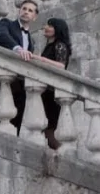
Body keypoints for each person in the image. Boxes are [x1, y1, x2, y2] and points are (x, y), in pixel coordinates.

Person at [0, 0, 39, 134]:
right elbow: (1, 36)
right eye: (24, 9)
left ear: (34, 17)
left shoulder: (31, 40)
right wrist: (18, 49)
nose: (26, 12)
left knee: (17, 114)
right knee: (8, 109)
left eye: (30, 10)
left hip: (19, 81)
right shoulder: (6, 24)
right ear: (19, 11)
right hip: (2, 76)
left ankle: (10, 139)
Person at [32, 17, 72, 150]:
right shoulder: (50, 45)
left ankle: (64, 157)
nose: (45, 27)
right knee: (47, 130)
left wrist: (40, 59)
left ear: (57, 29)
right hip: (46, 91)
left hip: (52, 92)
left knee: (50, 129)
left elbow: (61, 66)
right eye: (46, 25)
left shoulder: (60, 45)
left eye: (50, 25)